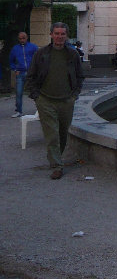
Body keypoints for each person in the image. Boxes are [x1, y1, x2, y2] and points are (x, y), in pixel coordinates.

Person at [26, 22, 84, 180]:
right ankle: (57, 166)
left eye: (62, 34)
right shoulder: (41, 54)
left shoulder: (72, 55)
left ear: (67, 36)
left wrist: (74, 95)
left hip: (66, 100)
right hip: (45, 100)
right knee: (52, 134)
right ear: (51, 35)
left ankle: (57, 159)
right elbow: (31, 76)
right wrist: (36, 96)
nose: (59, 37)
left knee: (63, 133)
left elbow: (80, 76)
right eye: (57, 34)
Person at [8, 31, 38, 118]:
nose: (22, 40)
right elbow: (11, 61)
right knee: (18, 92)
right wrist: (14, 69)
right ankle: (18, 111)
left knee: (35, 91)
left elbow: (38, 58)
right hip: (20, 73)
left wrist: (36, 69)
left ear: (27, 37)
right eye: (20, 38)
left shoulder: (33, 47)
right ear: (18, 39)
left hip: (31, 73)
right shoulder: (15, 49)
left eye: (23, 38)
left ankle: (39, 109)